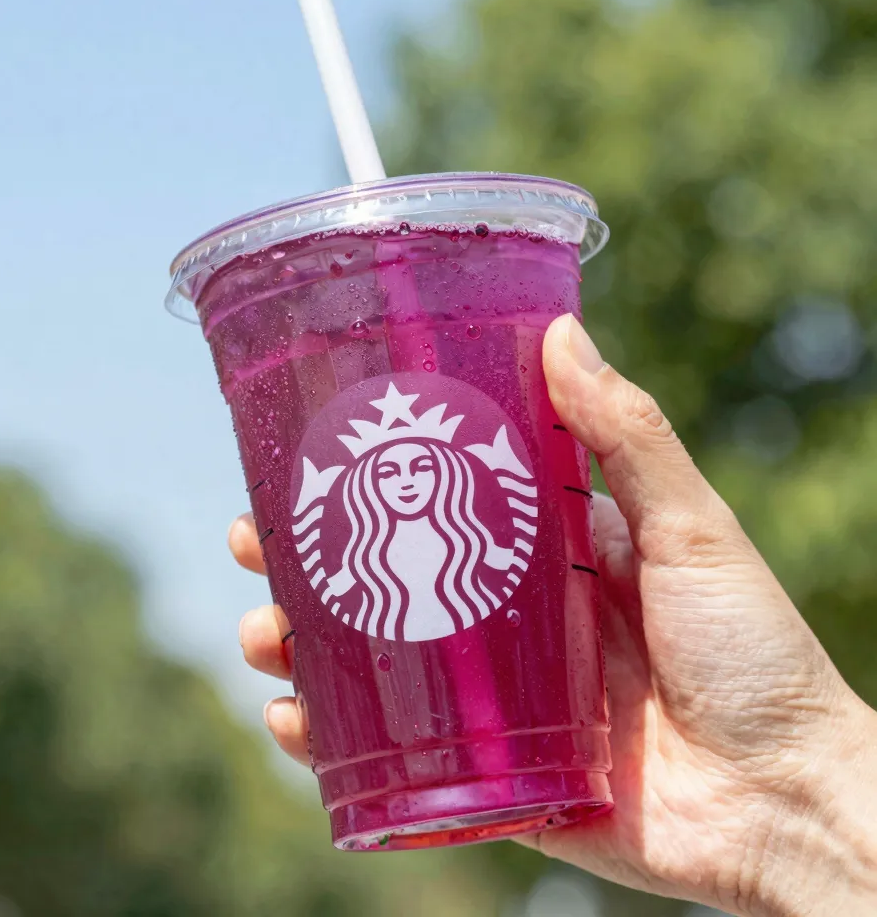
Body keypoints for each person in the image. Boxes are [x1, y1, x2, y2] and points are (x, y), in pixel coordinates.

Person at [229, 314, 877, 916]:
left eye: (422, 462)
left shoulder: (472, 546)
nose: (405, 479)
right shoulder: (361, 567)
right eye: (388, 466)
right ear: (364, 481)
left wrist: (791, 788)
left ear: (447, 470)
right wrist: (789, 814)